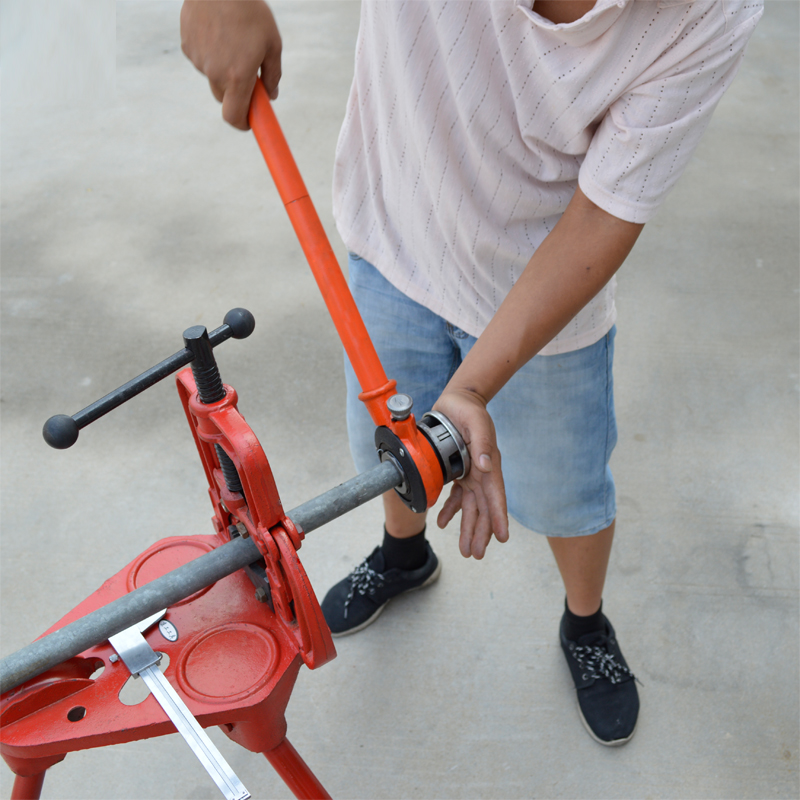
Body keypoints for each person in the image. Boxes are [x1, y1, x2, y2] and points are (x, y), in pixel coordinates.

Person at [180, 0, 762, 747]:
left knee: (568, 491)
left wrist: (474, 387)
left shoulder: (711, 12)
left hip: (548, 297)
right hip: (396, 242)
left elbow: (605, 214)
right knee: (390, 453)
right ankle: (404, 553)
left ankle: (585, 619)